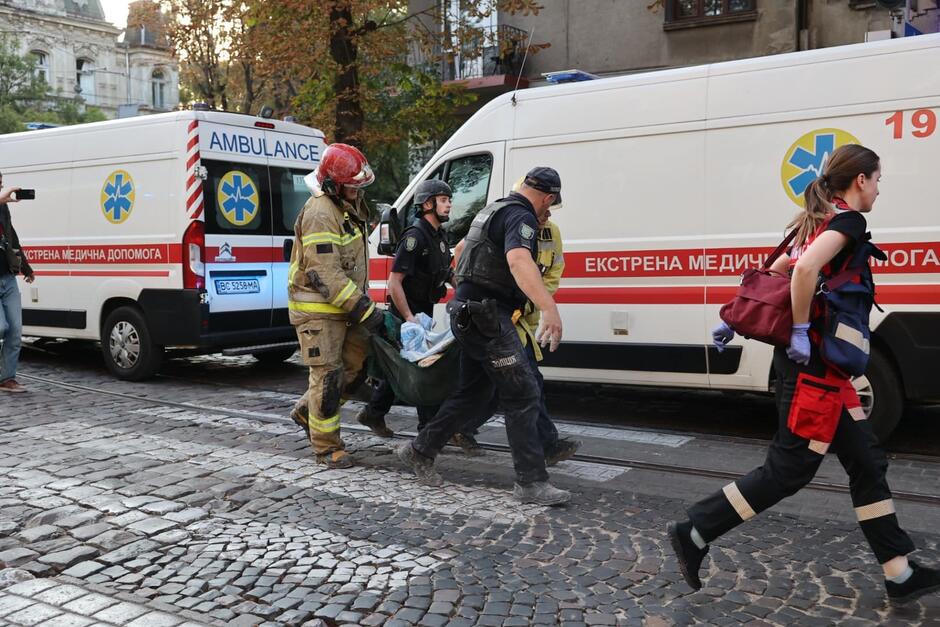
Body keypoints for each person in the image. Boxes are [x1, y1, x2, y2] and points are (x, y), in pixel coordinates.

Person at [668, 145, 940, 604]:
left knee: (867, 460)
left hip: (824, 371)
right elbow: (804, 271)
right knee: (789, 469)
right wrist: (796, 328)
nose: (878, 188)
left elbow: (773, 271)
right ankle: (695, 529)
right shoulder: (847, 222)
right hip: (813, 369)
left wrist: (733, 318)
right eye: (877, 179)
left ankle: (898, 572)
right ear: (859, 181)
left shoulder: (812, 219)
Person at [397, 166, 570, 506]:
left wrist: (465, 296)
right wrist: (549, 308)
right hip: (488, 316)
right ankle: (531, 483)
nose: (548, 214)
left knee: (474, 395)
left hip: (472, 312)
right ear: (547, 198)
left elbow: (459, 253)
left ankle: (419, 450)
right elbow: (520, 261)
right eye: (550, 206)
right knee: (522, 391)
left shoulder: (494, 209)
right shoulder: (520, 216)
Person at [455, 177, 581, 465]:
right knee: (522, 384)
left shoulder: (551, 233)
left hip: (520, 317)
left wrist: (535, 301)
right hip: (495, 315)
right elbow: (470, 254)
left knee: (502, 385)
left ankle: (444, 435)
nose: (547, 214)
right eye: (547, 208)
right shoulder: (513, 219)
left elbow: (552, 273)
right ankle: (541, 454)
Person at [356, 179, 478, 446]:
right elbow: (394, 282)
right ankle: (427, 432)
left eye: (448, 200)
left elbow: (446, 273)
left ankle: (373, 412)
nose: (449, 205)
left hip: (424, 312)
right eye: (443, 200)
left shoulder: (439, 236)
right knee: (423, 370)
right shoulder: (414, 237)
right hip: (407, 316)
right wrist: (409, 319)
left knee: (405, 369)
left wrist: (466, 295)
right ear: (427, 204)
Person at [287, 144, 385, 469]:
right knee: (328, 377)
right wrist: (363, 308)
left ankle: (306, 412)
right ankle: (327, 448)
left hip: (344, 307)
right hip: (318, 310)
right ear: (332, 183)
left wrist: (362, 306)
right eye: (353, 185)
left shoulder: (347, 207)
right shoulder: (320, 213)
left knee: (354, 371)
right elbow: (323, 272)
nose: (358, 191)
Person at [0, 177, 35, 393]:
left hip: (7, 277)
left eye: (0, 182)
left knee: (15, 330)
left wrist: (26, 268)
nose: (1, 187)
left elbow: (12, 237)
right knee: (1, 327)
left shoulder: (4, 209)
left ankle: (7, 378)